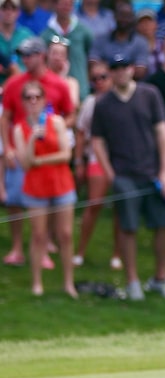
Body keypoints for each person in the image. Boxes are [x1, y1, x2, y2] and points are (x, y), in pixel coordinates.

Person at [90, 53, 165, 300]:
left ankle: (161, 277)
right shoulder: (103, 104)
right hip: (124, 174)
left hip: (153, 172)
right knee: (127, 228)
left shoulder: (150, 95)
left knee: (164, 225)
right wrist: (110, 173)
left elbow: (162, 133)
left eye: (124, 67)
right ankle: (132, 281)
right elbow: (97, 141)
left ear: (131, 69)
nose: (120, 72)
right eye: (114, 68)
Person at [1, 36, 71, 269]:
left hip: (48, 152)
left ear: (42, 55)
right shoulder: (14, 83)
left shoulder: (58, 84)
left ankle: (43, 248)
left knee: (47, 202)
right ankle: (18, 247)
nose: (24, 60)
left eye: (29, 55)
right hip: (21, 150)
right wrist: (8, 148)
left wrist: (58, 128)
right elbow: (6, 117)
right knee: (14, 200)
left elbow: (71, 113)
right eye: (22, 56)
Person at [14, 79, 74, 296]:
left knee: (65, 234)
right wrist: (32, 140)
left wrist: (40, 161)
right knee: (38, 235)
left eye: (37, 97)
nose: (33, 101)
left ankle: (68, 282)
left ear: (43, 100)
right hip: (36, 188)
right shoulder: (20, 130)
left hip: (61, 184)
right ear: (23, 102)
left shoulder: (56, 122)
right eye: (28, 97)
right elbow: (25, 163)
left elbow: (66, 154)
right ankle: (37, 283)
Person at [73, 59, 118, 269]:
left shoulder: (120, 99)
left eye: (103, 77)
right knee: (94, 204)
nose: (99, 81)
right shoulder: (90, 103)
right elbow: (81, 133)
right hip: (95, 158)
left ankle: (118, 253)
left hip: (119, 159)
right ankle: (80, 250)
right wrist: (79, 160)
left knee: (120, 207)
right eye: (95, 79)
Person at [40, 0, 90, 98]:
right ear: (55, 5)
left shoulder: (84, 32)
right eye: (62, 4)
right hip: (53, 93)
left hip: (81, 92)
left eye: (69, 4)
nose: (65, 7)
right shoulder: (45, 35)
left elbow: (89, 53)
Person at [0, 0, 35, 85]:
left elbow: (34, 63)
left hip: (21, 86)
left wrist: (15, 69)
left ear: (19, 12)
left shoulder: (27, 35)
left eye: (13, 8)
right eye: (4, 8)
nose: (8, 12)